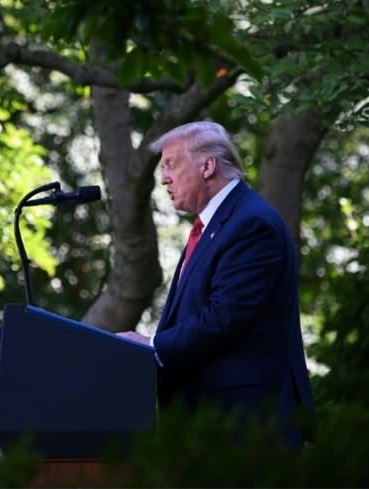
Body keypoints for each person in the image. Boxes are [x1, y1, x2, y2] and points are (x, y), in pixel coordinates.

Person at [118, 121, 316, 450]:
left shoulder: (250, 223)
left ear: (208, 166)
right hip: (215, 422)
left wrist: (152, 345)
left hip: (246, 425)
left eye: (171, 164)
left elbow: (225, 318)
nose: (163, 177)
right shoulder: (218, 222)